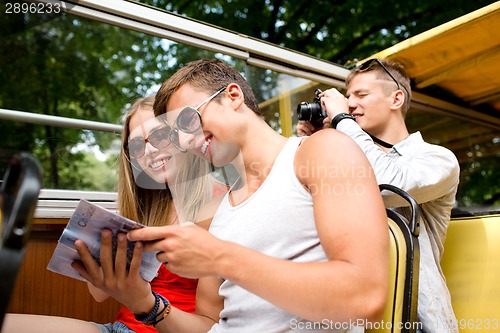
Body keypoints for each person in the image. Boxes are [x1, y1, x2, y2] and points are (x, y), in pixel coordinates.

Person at [121, 58, 389, 333]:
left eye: (189, 120)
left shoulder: (319, 152)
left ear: (233, 96)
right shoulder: (221, 211)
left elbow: (365, 298)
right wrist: (145, 304)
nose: (187, 141)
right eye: (178, 136)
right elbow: (209, 324)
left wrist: (219, 257)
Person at [2, 96, 223, 333]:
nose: (148, 150)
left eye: (158, 136)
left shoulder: (222, 205)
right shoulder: (146, 207)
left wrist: (149, 303)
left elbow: (209, 326)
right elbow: (99, 295)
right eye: (137, 146)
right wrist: (98, 256)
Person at [296, 58, 460, 333]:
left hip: (416, 321)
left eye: (361, 95)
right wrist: (313, 145)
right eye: (347, 98)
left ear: (396, 99)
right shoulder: (341, 154)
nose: (349, 104)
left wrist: (342, 123)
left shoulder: (438, 158)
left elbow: (386, 183)